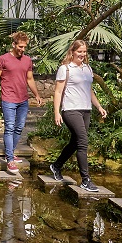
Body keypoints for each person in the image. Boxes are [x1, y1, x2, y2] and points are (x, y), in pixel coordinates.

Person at [50, 39, 107, 192]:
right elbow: (58, 92)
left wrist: (99, 106)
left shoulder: (87, 68)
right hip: (70, 110)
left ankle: (56, 166)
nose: (82, 54)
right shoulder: (65, 69)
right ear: (73, 52)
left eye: (84, 51)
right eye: (79, 51)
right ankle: (85, 180)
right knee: (83, 141)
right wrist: (57, 112)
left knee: (75, 142)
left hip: (86, 109)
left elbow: (89, 91)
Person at [0, 31, 43, 173]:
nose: (22, 49)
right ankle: (10, 160)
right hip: (8, 99)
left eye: (24, 47)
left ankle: (11, 153)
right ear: (13, 44)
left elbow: (30, 79)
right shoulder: (3, 59)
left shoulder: (27, 60)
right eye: (20, 46)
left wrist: (37, 95)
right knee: (9, 128)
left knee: (19, 128)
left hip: (23, 100)